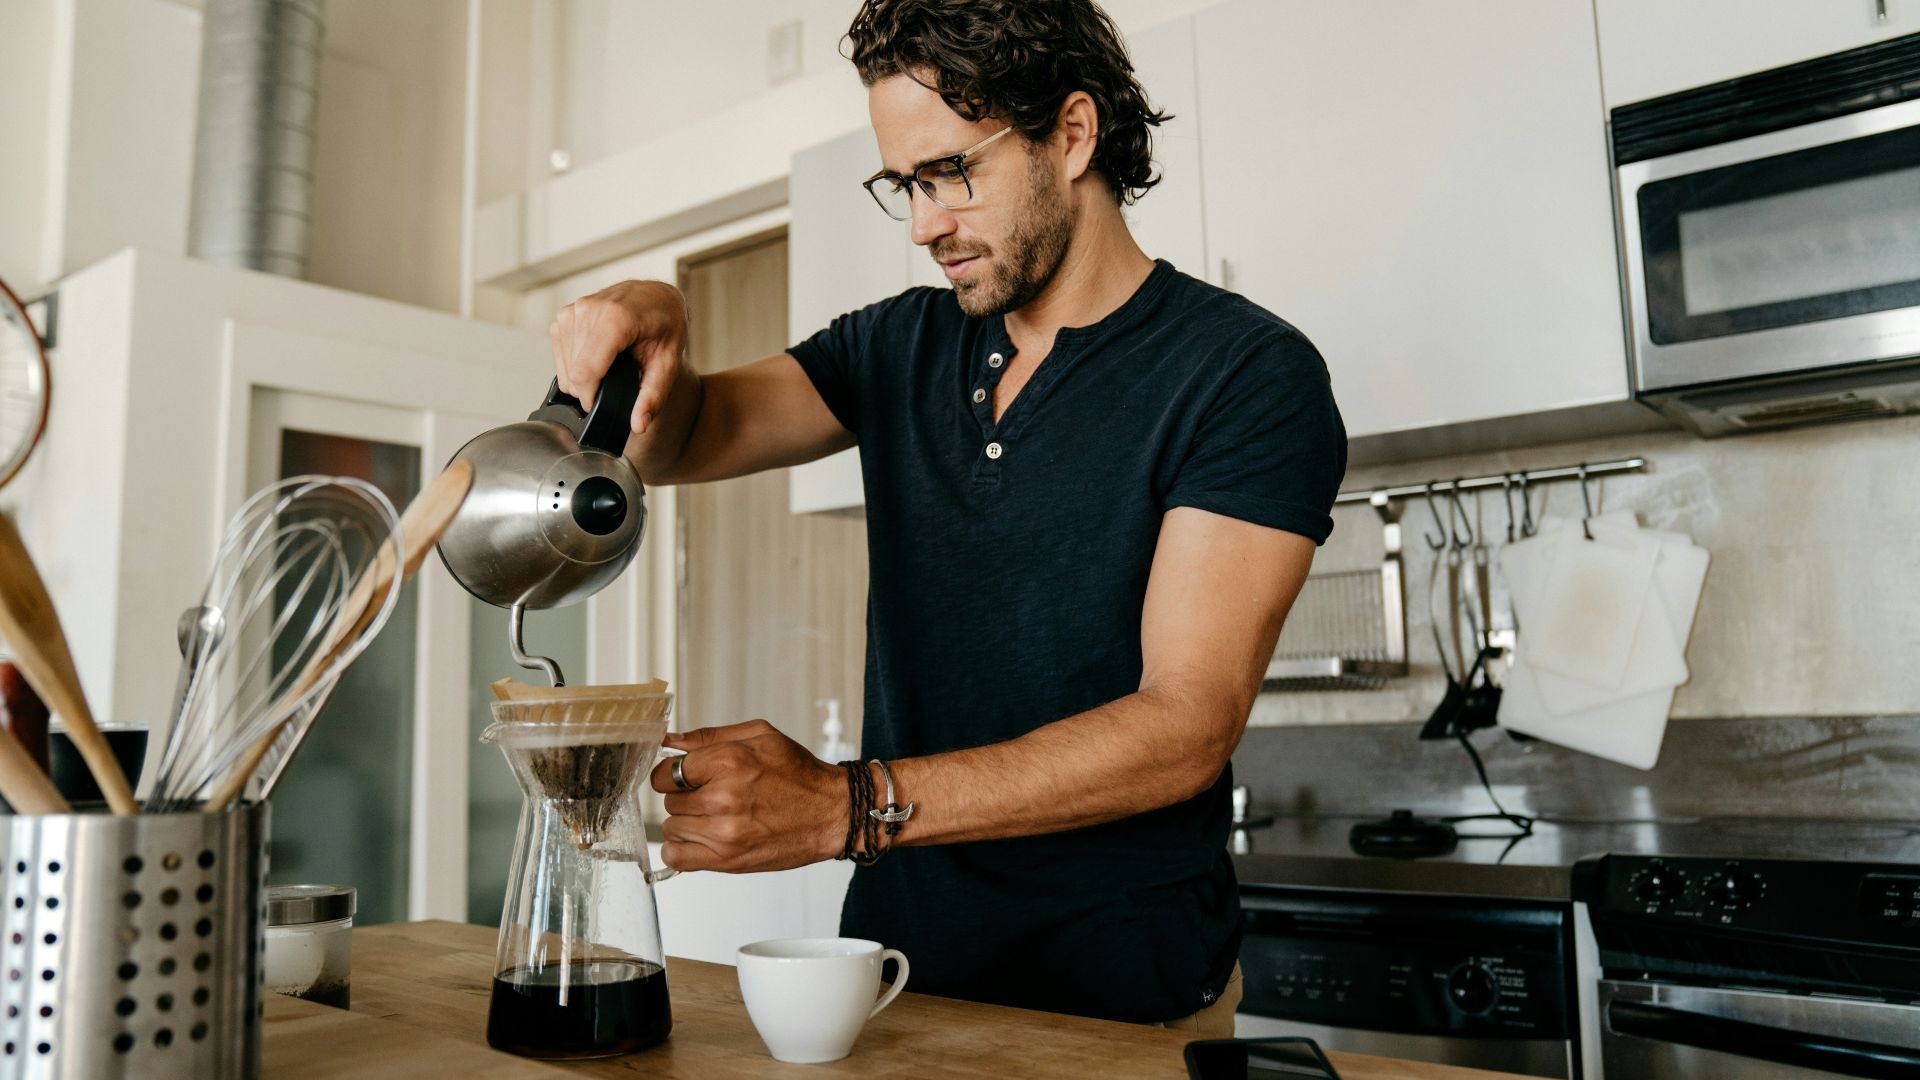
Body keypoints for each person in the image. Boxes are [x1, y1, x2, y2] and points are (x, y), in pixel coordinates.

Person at [548, 0, 1346, 1033]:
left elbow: (1183, 728)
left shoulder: (1243, 374)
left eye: (950, 173)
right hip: (892, 980)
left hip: (1124, 1000)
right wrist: (652, 328)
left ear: (1071, 134)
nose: (925, 224)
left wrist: (848, 805)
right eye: (904, 187)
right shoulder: (900, 348)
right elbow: (688, 435)